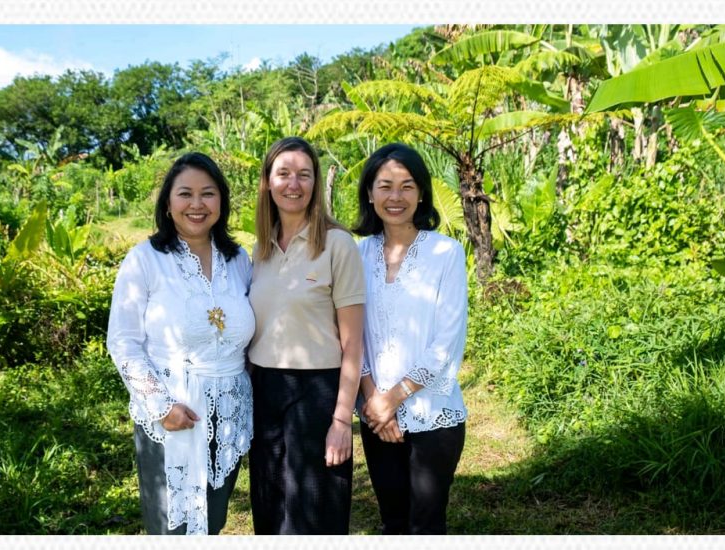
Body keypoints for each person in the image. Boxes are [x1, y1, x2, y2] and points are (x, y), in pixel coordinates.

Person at [106, 152, 254, 535]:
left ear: (221, 201)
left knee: (214, 520)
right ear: (168, 204)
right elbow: (122, 342)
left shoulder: (238, 260)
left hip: (229, 412)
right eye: (185, 194)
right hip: (174, 410)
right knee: (171, 526)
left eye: (208, 193)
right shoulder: (145, 260)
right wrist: (160, 405)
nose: (196, 204)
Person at [247, 136, 365, 534]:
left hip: (318, 392)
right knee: (269, 511)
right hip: (264, 391)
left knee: (314, 513)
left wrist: (341, 420)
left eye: (304, 174)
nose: (293, 184)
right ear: (268, 182)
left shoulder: (337, 244)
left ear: (316, 182)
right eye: (283, 173)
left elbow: (353, 343)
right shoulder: (259, 249)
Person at [354, 143, 468, 535]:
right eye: (385, 186)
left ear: (421, 193)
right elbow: (351, 334)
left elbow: (447, 341)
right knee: (393, 522)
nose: (396, 197)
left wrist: (394, 398)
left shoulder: (446, 252)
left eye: (407, 186)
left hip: (432, 412)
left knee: (425, 525)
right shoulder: (356, 254)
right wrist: (374, 400)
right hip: (375, 413)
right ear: (370, 194)